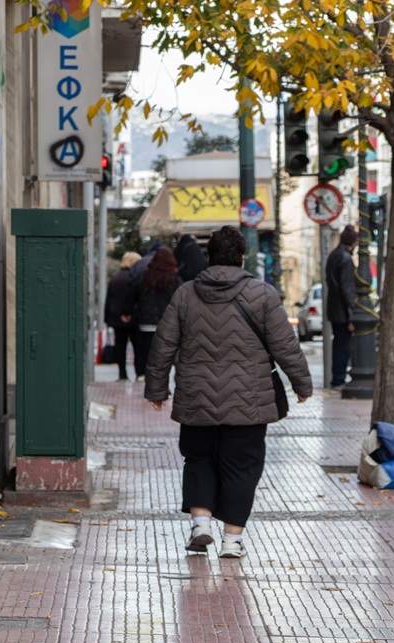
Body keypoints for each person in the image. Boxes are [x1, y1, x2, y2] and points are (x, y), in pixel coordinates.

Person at [145, 226, 313, 559]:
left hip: (196, 397)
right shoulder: (262, 294)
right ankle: (232, 542)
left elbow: (163, 345)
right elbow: (285, 346)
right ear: (241, 256)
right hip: (248, 401)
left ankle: (201, 524)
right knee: (243, 466)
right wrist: (301, 385)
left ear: (210, 256)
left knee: (199, 458)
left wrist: (156, 388)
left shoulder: (185, 294)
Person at [123, 246, 183, 381]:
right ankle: (162, 382)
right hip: (167, 324)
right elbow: (181, 299)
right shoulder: (175, 278)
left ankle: (142, 376)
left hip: (145, 321)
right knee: (165, 354)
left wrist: (126, 312)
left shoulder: (143, 275)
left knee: (144, 351)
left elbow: (131, 294)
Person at [324, 225, 358, 388]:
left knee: (339, 345)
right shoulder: (345, 258)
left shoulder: (333, 256)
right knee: (342, 347)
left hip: (335, 310)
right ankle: (338, 379)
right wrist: (352, 313)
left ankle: (337, 378)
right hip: (343, 312)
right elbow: (347, 288)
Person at [104, 252, 140, 381]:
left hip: (116, 318)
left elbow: (109, 299)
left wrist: (107, 319)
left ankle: (122, 374)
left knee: (120, 346)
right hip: (134, 318)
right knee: (137, 346)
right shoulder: (136, 277)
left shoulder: (115, 278)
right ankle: (138, 372)